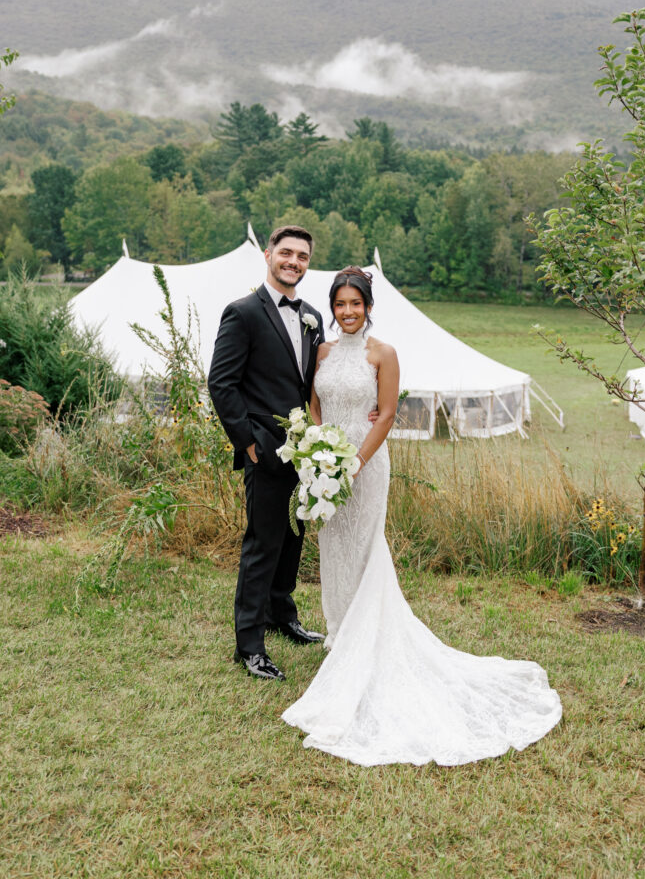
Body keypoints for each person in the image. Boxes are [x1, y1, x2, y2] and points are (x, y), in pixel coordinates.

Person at [282, 267, 562, 766]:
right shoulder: (322, 352)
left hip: (364, 466)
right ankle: (341, 640)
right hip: (325, 467)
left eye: (356, 304)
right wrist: (316, 450)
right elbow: (314, 403)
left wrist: (353, 463)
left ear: (368, 306)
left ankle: (366, 649)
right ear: (332, 307)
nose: (348, 312)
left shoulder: (383, 354)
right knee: (334, 549)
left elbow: (387, 414)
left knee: (366, 549)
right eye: (340, 304)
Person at [208, 225, 326, 681]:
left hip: (305, 454)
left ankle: (283, 615)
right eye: (286, 253)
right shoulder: (243, 313)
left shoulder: (313, 315)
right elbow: (222, 382)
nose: (294, 261)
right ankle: (250, 643)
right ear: (268, 254)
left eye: (302, 256)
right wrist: (248, 442)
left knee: (294, 539)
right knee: (263, 544)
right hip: (266, 451)